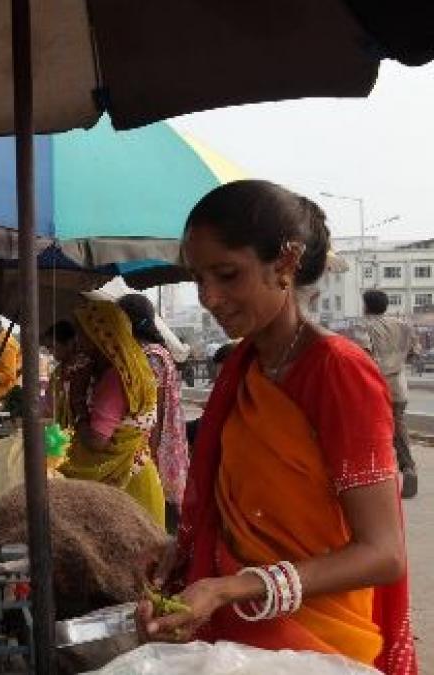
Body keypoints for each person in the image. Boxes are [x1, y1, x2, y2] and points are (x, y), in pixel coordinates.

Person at [140, 180, 414, 673]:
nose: (210, 297)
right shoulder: (243, 367)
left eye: (226, 275)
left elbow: (383, 553)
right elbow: (241, 511)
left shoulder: (337, 370)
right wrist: (179, 558)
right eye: (198, 279)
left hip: (317, 648)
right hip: (236, 637)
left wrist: (235, 586)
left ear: (285, 264)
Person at [58, 301, 166, 528]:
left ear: (100, 335)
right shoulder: (135, 367)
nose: (77, 342)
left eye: (82, 334)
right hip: (139, 476)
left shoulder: (114, 380)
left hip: (124, 488)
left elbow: (97, 440)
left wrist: (77, 399)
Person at [119, 293, 189, 533]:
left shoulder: (151, 356)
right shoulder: (150, 353)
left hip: (154, 445)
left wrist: (151, 452)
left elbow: (154, 411)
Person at [360, 288, 418, 499]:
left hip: (374, 387)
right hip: (399, 388)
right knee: (398, 426)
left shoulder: (364, 326)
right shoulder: (403, 326)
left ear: (366, 306)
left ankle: (376, 477)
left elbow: (363, 356)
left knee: (373, 431)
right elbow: (414, 353)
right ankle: (408, 467)